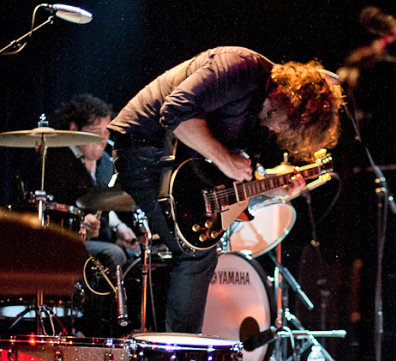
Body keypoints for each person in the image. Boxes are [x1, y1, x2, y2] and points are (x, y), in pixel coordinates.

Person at [108, 46, 344, 333]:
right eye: (288, 123)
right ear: (287, 97)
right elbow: (175, 113)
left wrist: (269, 186)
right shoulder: (239, 68)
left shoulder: (263, 120)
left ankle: (173, 351)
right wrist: (226, 160)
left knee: (200, 246)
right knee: (195, 251)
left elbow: (234, 174)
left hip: (183, 164)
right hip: (145, 148)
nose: (282, 131)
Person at [46, 93, 138, 268]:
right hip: (64, 243)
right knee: (114, 254)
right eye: (96, 132)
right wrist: (81, 227)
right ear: (74, 129)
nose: (103, 139)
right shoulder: (55, 162)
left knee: (137, 252)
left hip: (99, 241)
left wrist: (119, 228)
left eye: (107, 131)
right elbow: (48, 213)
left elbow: (103, 204)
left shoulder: (105, 163)